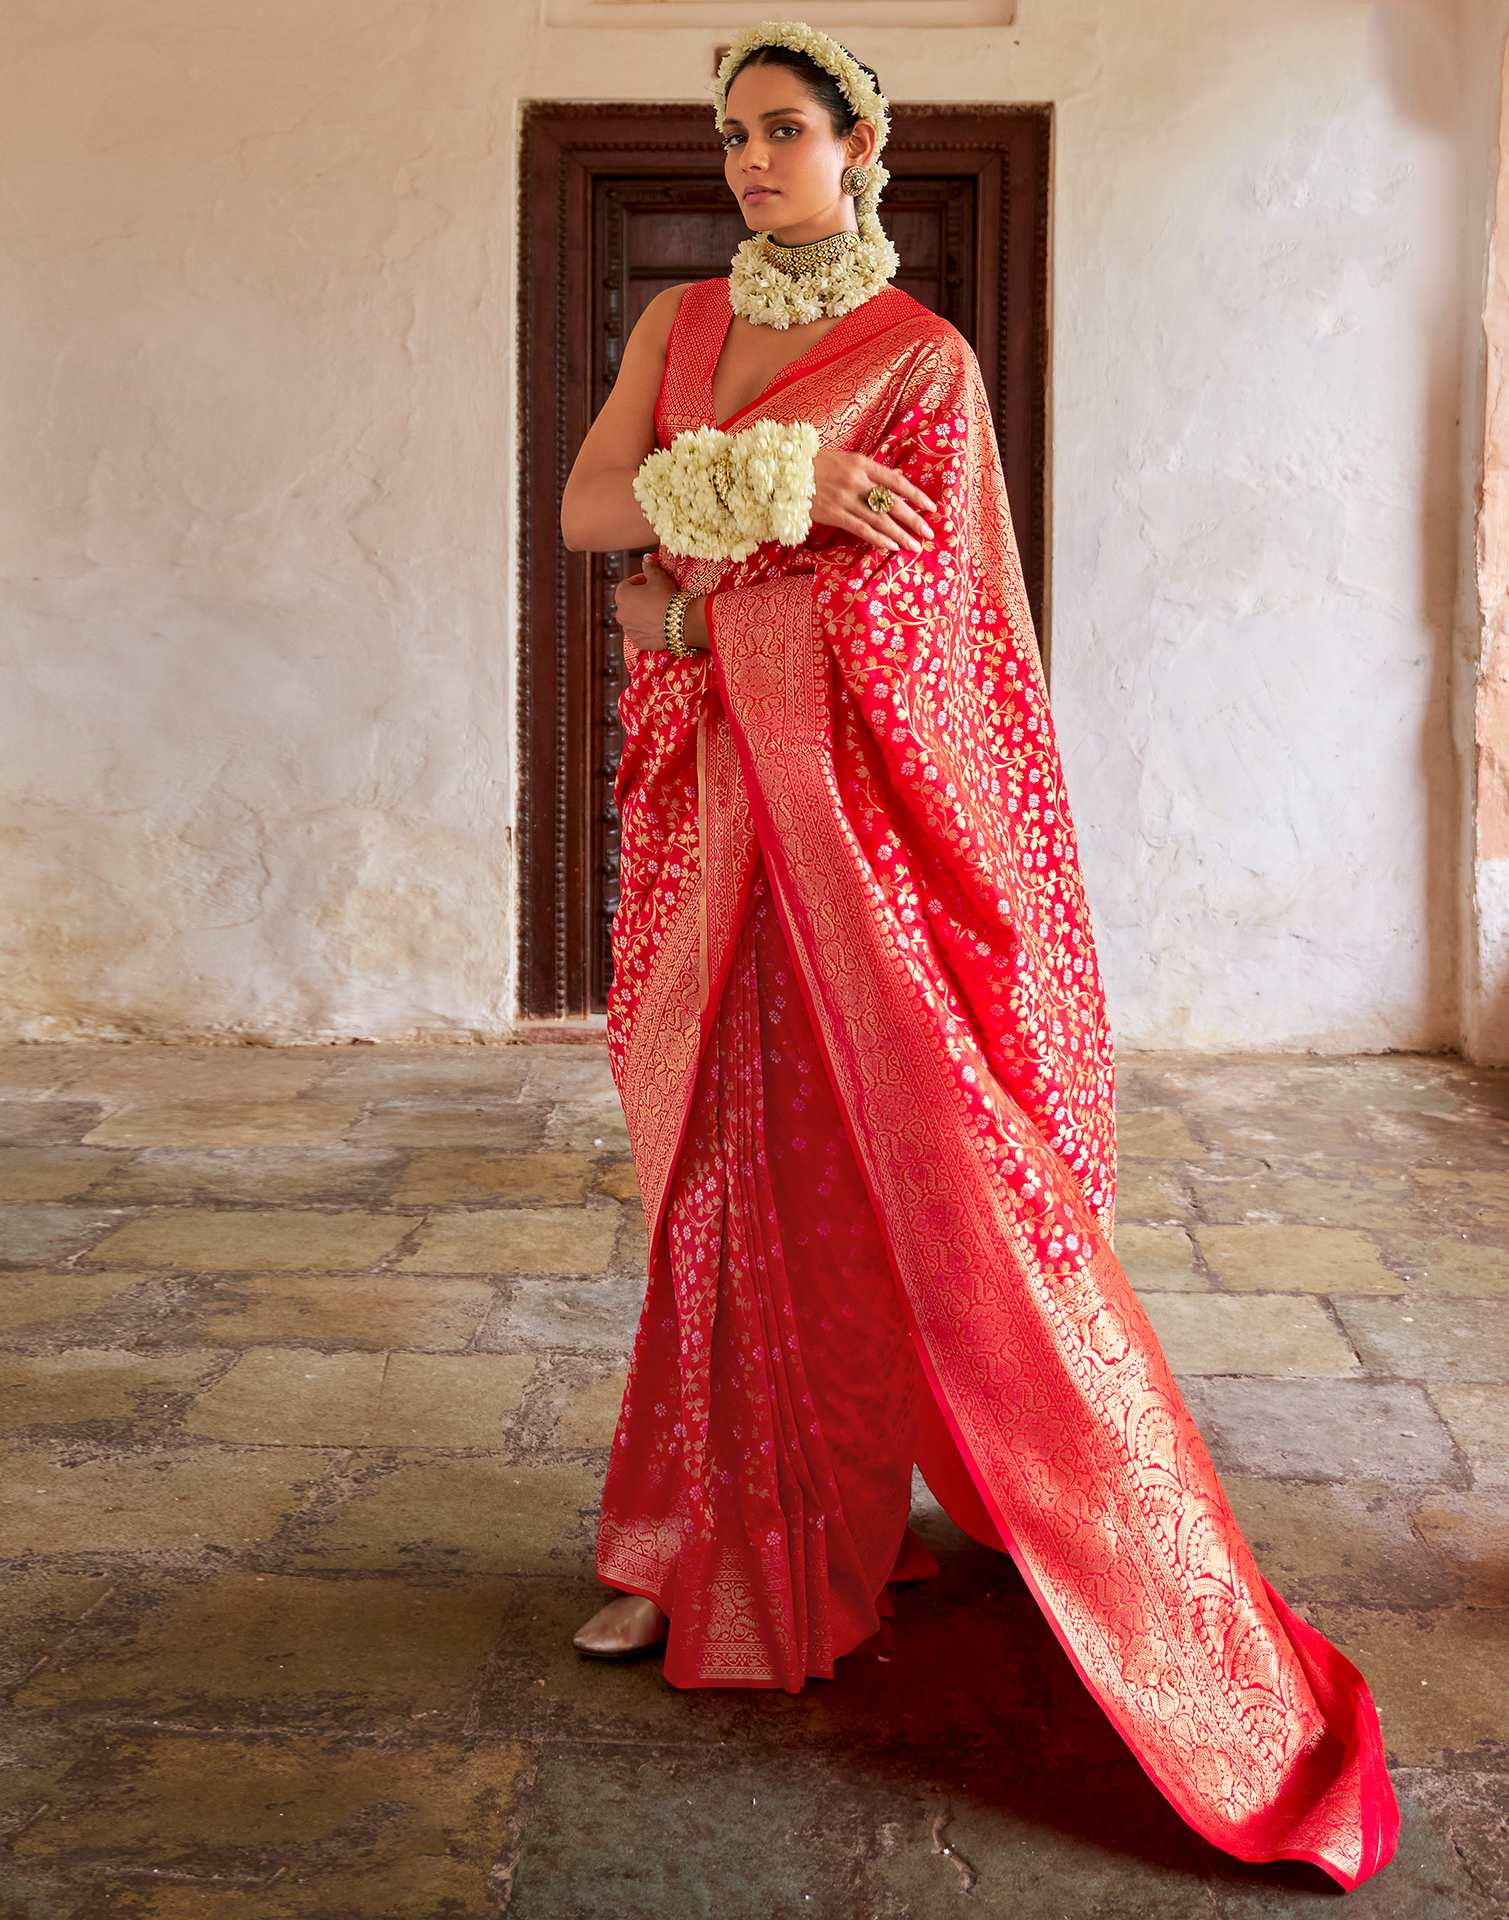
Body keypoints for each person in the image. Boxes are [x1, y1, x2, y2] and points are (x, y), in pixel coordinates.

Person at [557, 15, 1399, 1894]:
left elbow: (932, 633)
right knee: (710, 1172)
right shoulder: (676, 335)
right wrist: (759, 504)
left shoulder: (923, 364)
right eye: (733, 138)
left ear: (861, 146)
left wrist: (695, 600)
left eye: (785, 130)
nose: (753, 162)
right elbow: (587, 513)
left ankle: (832, 1549)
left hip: (859, 846)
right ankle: (698, 1539)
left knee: (872, 1180)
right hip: (714, 831)